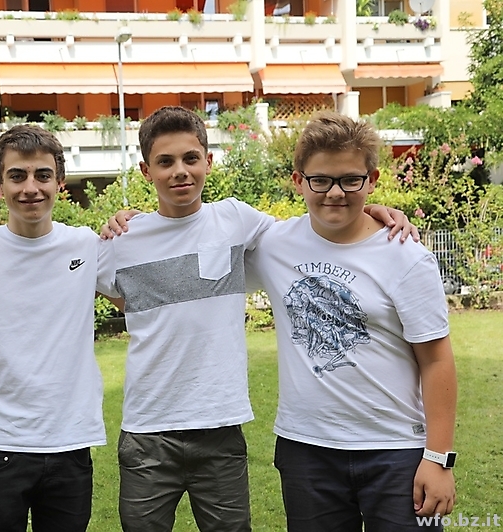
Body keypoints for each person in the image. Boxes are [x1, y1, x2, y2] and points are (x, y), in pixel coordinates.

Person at [96, 106, 415, 532]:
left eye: (191, 158)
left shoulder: (235, 219)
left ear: (209, 161)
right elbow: (104, 288)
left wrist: (372, 210)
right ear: (145, 170)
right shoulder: (122, 241)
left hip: (220, 427)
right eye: (165, 161)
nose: (180, 171)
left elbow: (312, 230)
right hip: (147, 430)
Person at [245, 111, 457, 531]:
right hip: (307, 449)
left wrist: (438, 459)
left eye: (350, 180)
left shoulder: (406, 256)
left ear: (372, 180)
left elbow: (436, 360)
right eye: (321, 180)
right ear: (298, 181)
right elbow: (196, 239)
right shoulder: (271, 245)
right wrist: (131, 225)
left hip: (396, 451)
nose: (335, 193)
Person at [0, 125, 115, 532]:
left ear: (60, 182)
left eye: (42, 175)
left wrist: (132, 221)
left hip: (70, 441)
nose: (31, 188)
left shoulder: (87, 246)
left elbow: (143, 297)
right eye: (17, 176)